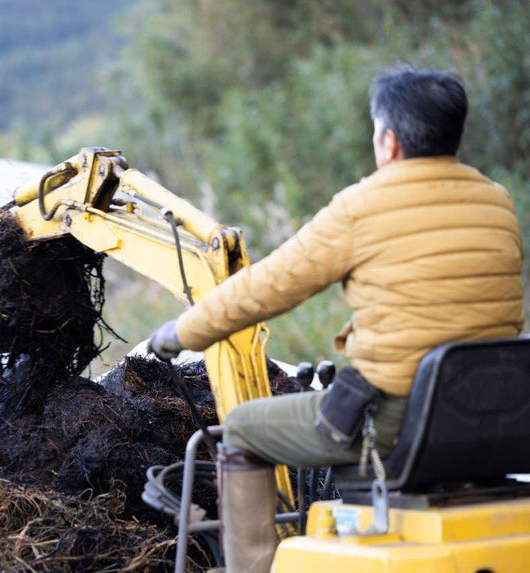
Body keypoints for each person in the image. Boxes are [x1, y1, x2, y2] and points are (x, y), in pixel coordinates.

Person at [149, 66, 525, 573]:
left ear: (388, 141)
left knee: (240, 428)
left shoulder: (362, 207)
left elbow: (266, 287)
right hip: (490, 421)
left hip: (392, 427)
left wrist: (179, 332)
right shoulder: (498, 203)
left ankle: (257, 567)